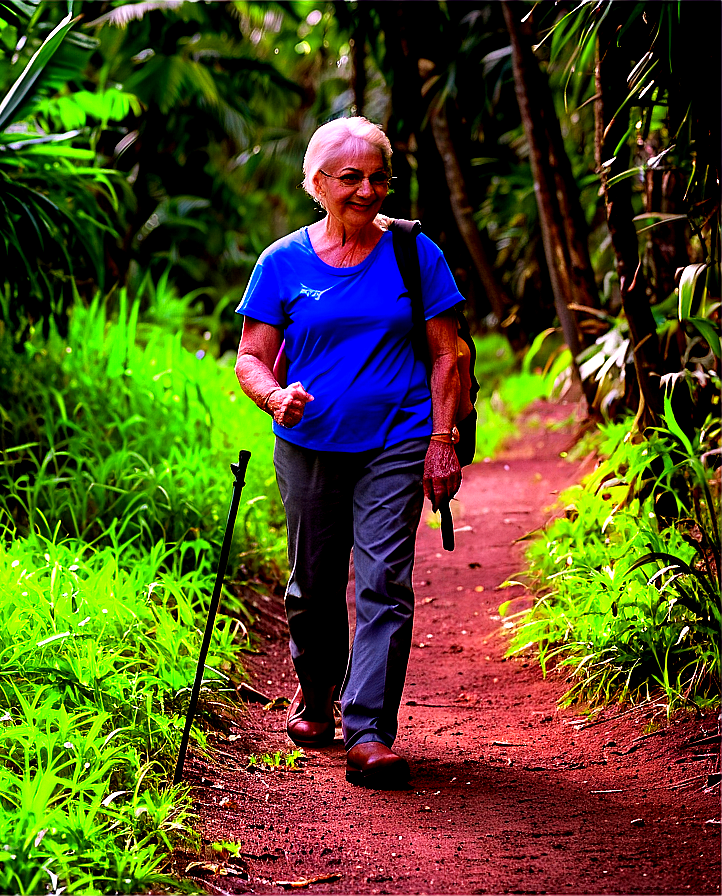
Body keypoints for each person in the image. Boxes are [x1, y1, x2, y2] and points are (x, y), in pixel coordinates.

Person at [234, 116, 464, 788]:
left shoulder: (414, 253)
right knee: (311, 585)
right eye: (351, 177)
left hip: (398, 437)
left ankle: (369, 731)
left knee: (384, 580)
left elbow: (448, 353)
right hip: (306, 443)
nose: (368, 190)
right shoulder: (281, 262)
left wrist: (443, 442)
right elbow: (251, 356)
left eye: (378, 177)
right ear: (318, 183)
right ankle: (314, 698)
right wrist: (276, 397)